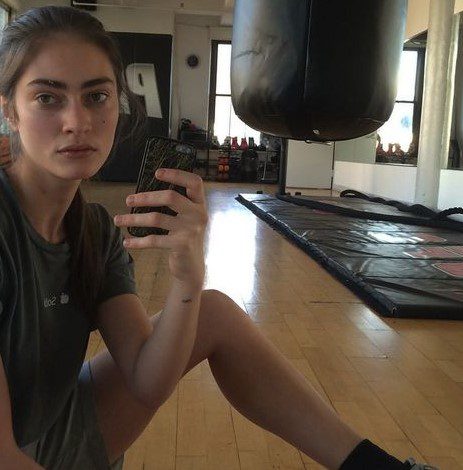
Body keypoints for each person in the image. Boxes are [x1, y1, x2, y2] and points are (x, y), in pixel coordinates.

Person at [0, 6, 437, 470]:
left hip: (61, 430)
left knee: (212, 311)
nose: (77, 121)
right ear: (9, 110)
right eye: (47, 98)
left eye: (96, 96)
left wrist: (188, 278)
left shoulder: (94, 231)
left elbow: (148, 383)